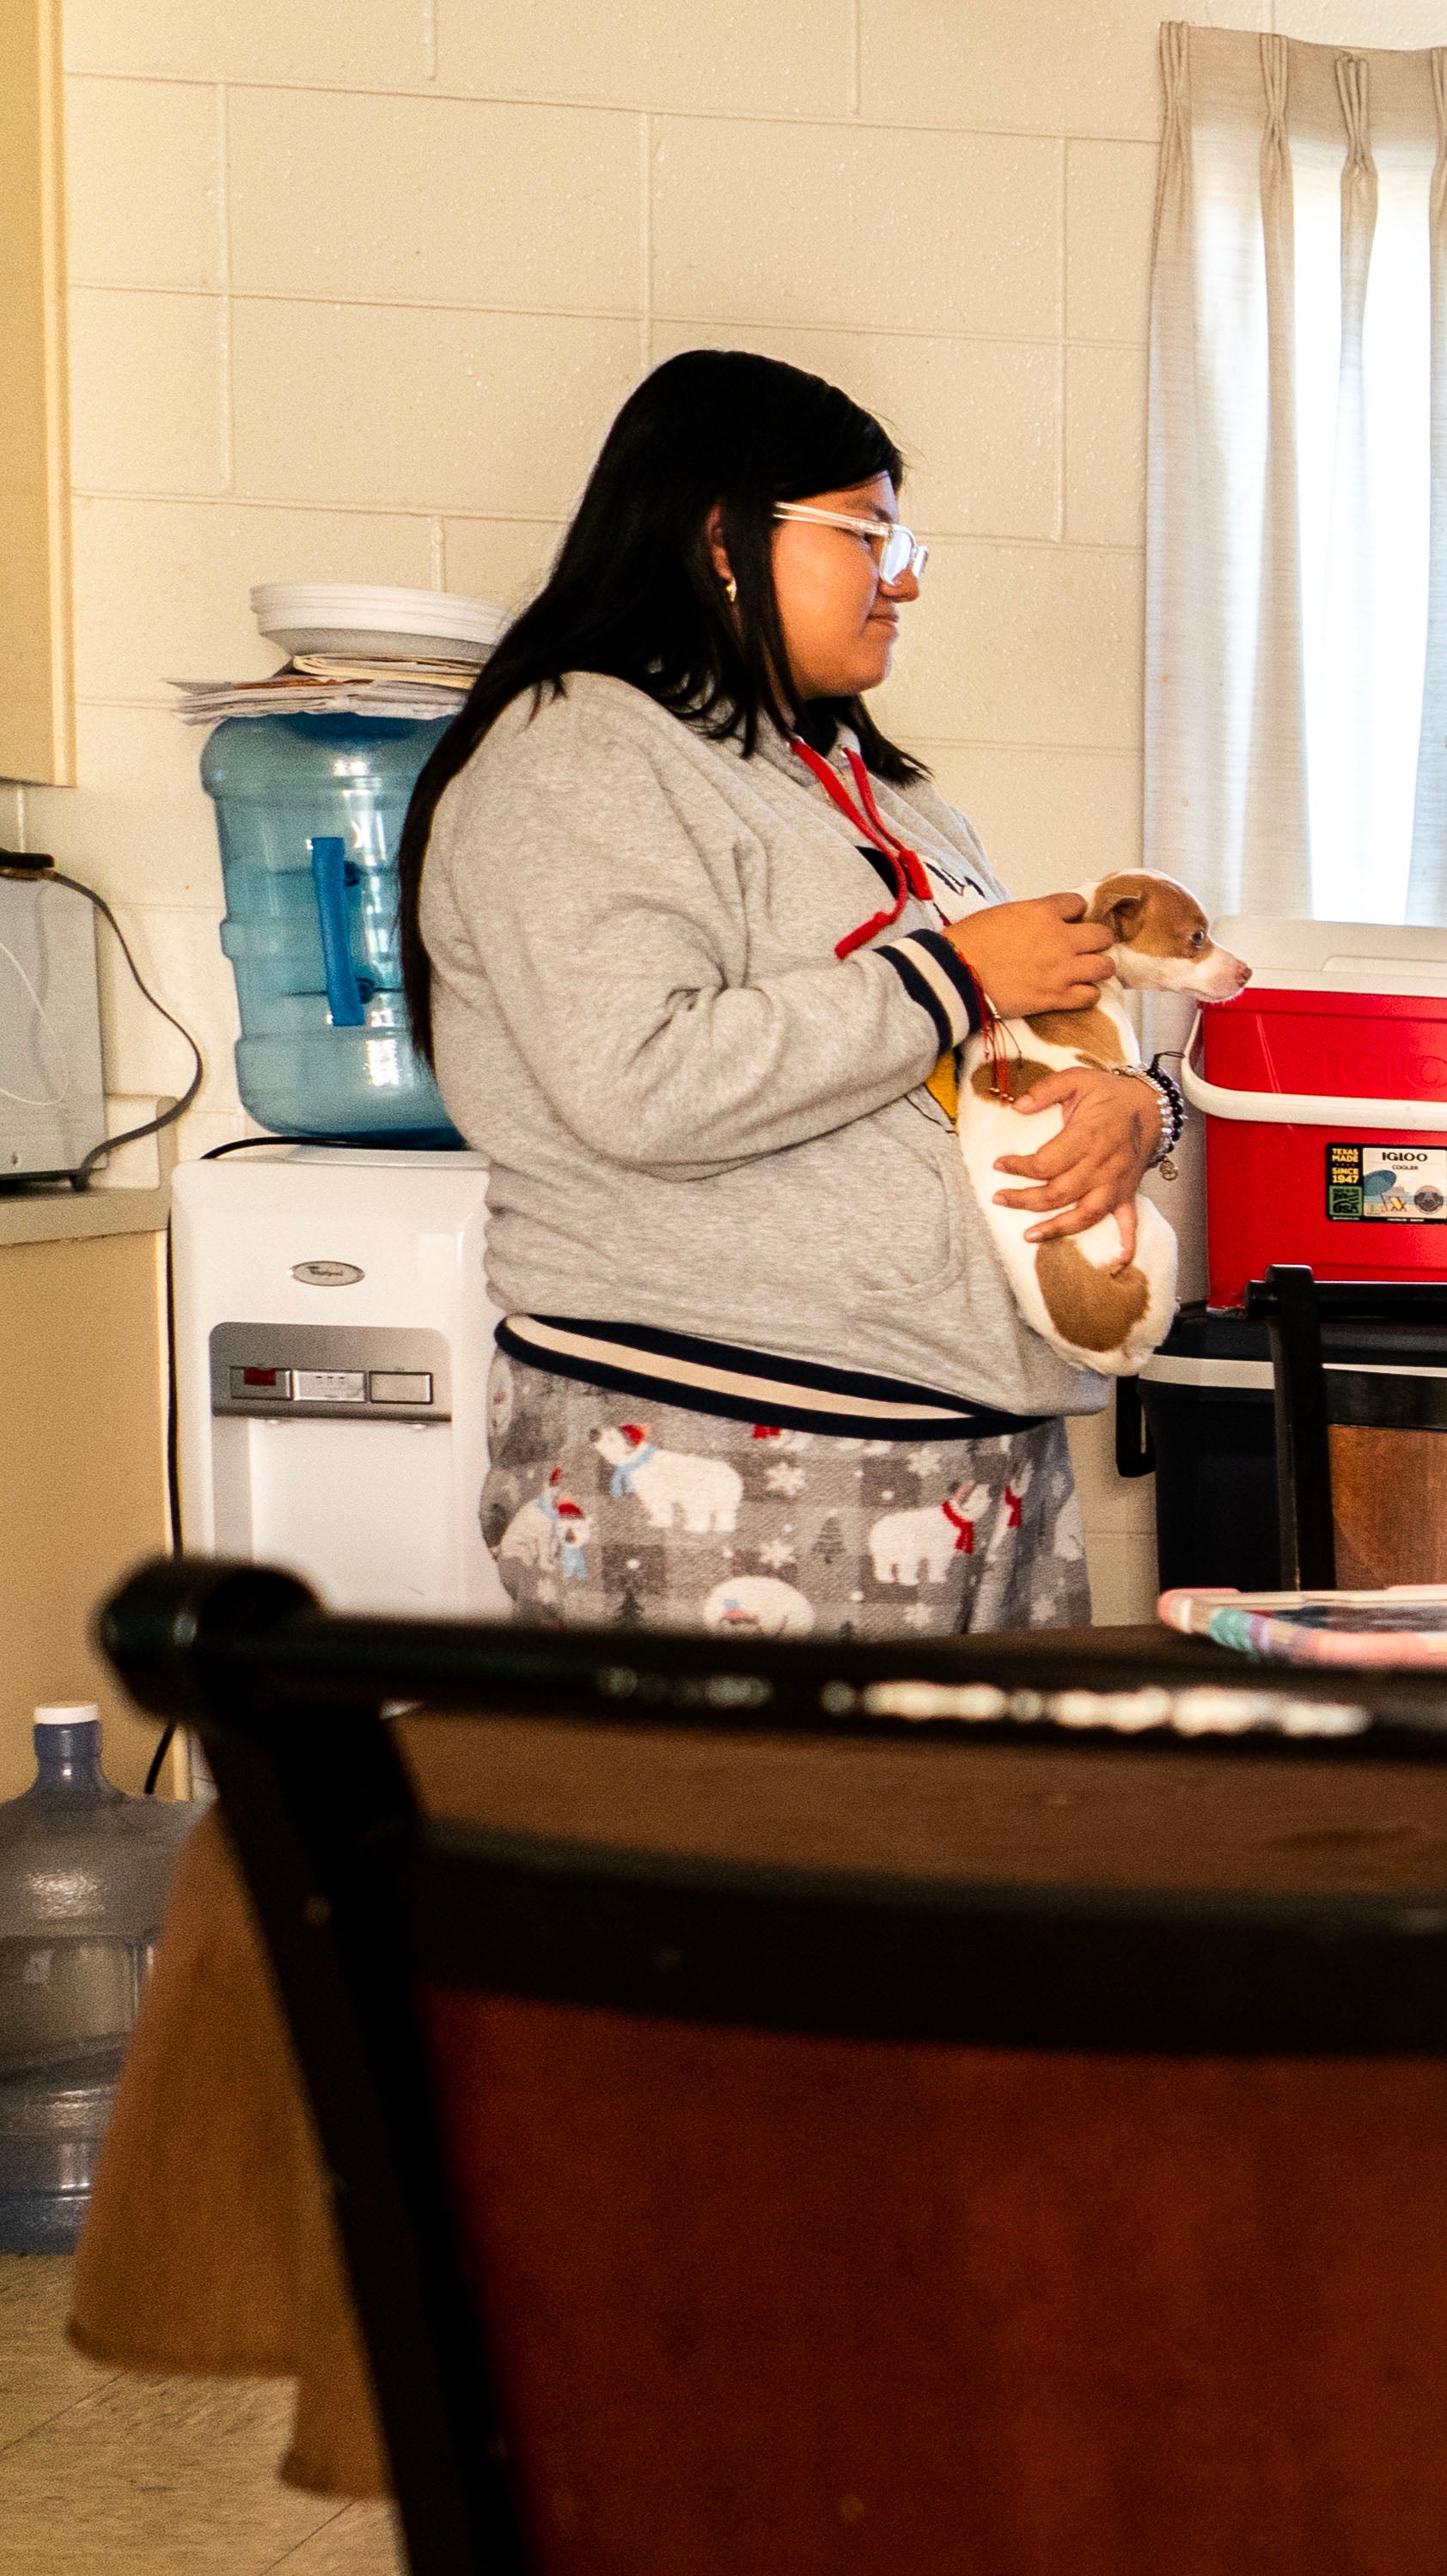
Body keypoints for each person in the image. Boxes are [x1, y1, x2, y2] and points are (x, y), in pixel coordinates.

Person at [402, 349, 1164, 1637]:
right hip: (727, 1446)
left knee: (982, 1842)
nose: (906, 574)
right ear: (721, 536)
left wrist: (1137, 1110)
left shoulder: (889, 793)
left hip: (979, 1455)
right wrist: (958, 967)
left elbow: (974, 1069)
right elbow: (641, 1082)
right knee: (750, 1838)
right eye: (867, 531)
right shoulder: (581, 748)